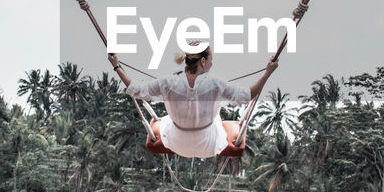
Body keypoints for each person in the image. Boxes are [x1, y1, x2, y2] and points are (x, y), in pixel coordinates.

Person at [108, 44, 278, 159]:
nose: (212, 62)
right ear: (203, 61)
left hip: (176, 143)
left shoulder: (168, 83)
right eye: (211, 58)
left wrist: (116, 66)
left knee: (167, 119)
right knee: (216, 115)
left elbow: (136, 89)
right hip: (208, 145)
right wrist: (268, 72)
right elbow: (249, 95)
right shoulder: (215, 84)